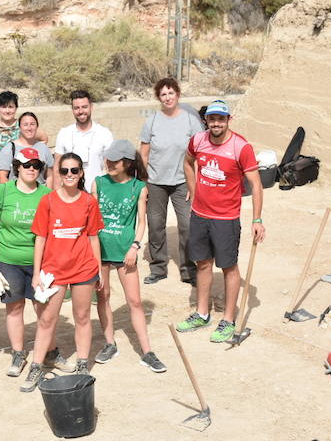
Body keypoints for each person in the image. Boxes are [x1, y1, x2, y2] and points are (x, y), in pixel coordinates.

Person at [175, 100, 266, 343]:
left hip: (226, 218)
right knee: (203, 264)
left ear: (228, 120)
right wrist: (194, 192)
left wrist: (257, 218)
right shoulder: (198, 141)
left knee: (228, 266)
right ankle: (202, 313)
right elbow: (187, 162)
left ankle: (228, 319)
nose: (216, 123)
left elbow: (256, 184)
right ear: (207, 120)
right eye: (212, 119)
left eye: (221, 119)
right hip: (200, 215)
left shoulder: (240, 147)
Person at [0, 147, 69, 378]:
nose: (31, 169)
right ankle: (19, 353)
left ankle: (50, 353)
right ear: (17, 167)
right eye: (26, 165)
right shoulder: (3, 191)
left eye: (36, 165)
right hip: (7, 259)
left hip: (40, 261)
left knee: (43, 309)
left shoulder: (46, 194)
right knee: (15, 307)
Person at [22, 153, 104, 392]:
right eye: (65, 170)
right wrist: (37, 273)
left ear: (81, 173)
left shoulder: (89, 201)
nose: (69, 175)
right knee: (47, 319)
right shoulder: (47, 201)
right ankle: (36, 366)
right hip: (53, 270)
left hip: (83, 269)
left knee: (82, 317)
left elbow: (93, 237)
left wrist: (97, 268)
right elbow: (40, 238)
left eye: (74, 170)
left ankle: (82, 364)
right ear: (58, 172)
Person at [92, 140, 166, 373]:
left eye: (115, 160)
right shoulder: (98, 183)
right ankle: (109, 343)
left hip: (126, 252)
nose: (109, 164)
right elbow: (91, 219)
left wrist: (135, 247)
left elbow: (141, 222)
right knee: (103, 297)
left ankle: (147, 352)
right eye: (108, 159)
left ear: (127, 162)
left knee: (134, 301)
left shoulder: (139, 187)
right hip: (100, 251)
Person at [139, 77, 204, 286]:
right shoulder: (152, 121)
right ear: (159, 98)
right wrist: (142, 183)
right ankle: (158, 267)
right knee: (156, 225)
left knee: (187, 225)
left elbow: (199, 155)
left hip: (182, 182)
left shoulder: (191, 120)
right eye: (163, 94)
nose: (167, 98)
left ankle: (188, 269)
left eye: (171, 93)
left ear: (178, 95)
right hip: (156, 182)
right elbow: (144, 155)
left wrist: (195, 184)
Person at [53, 90, 114, 192]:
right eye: (76, 108)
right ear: (72, 110)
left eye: (84, 107)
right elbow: (56, 167)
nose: (81, 111)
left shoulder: (104, 133)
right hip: (70, 193)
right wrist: (57, 194)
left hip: (97, 192)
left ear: (91, 107)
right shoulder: (64, 133)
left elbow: (111, 167)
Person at [0, 111, 53, 187]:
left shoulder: (44, 148)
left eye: (32, 124)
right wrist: (11, 193)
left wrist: (48, 194)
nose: (29, 128)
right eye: (25, 124)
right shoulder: (10, 148)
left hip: (40, 195)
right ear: (19, 127)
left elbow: (50, 175)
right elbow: (1, 176)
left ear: (37, 127)